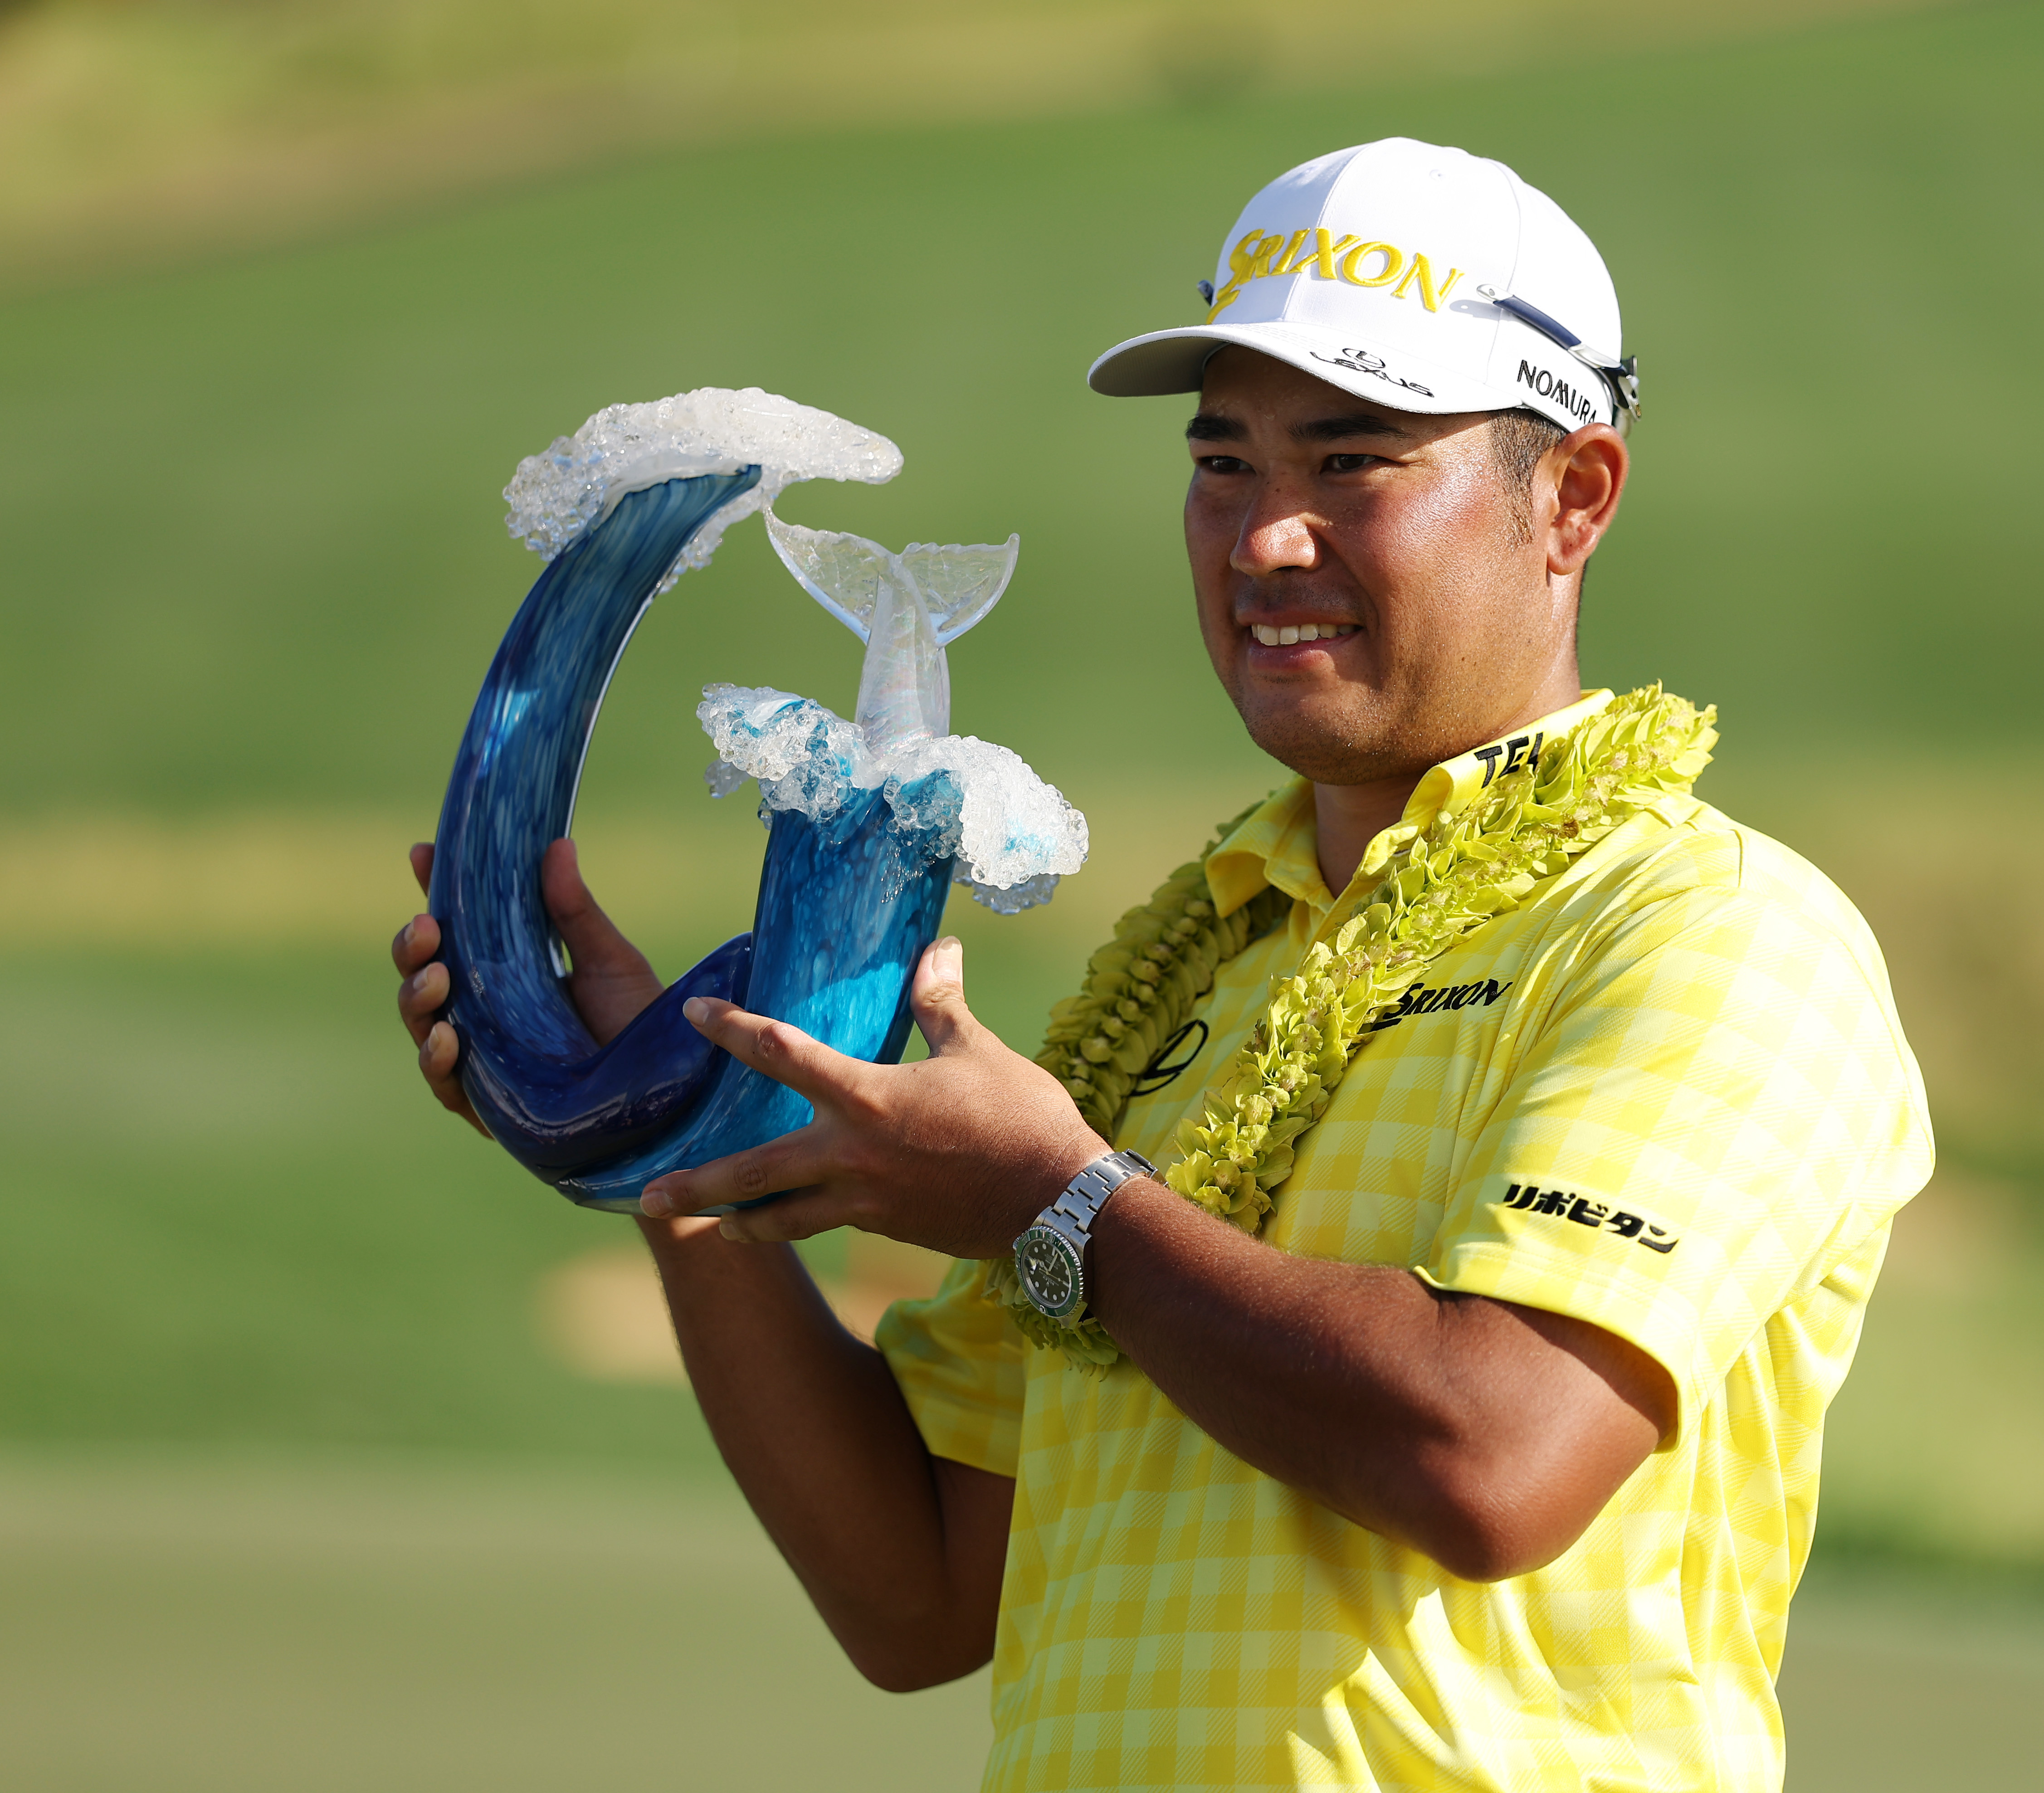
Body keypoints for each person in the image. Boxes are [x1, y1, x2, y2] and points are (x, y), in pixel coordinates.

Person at [391, 137, 1931, 1792]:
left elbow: (1493, 1454)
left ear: (1570, 498)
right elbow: (915, 1595)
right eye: (1223, 463)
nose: (1266, 536)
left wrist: (1062, 1206)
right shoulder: (1194, 968)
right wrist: (686, 1150)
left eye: (1350, 462)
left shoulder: (1709, 929)